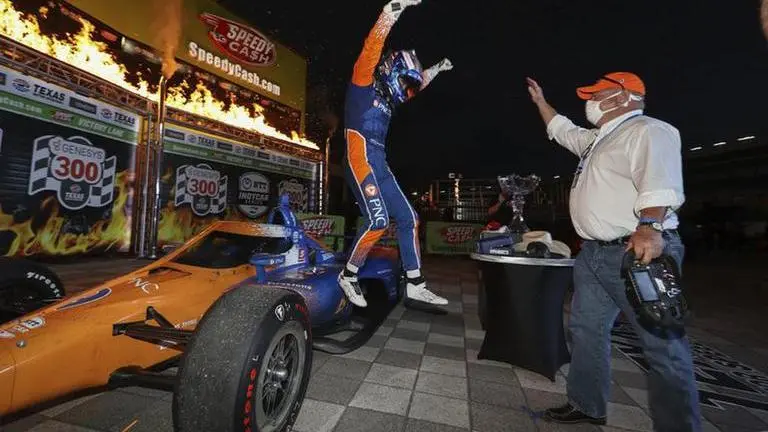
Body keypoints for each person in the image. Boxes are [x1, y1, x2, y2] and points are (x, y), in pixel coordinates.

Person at [526, 73, 702, 430]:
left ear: (623, 97)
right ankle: (587, 404)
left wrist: (650, 228)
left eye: (597, 93)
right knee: (586, 329)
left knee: (662, 347)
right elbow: (564, 131)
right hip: (593, 254)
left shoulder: (648, 130)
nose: (589, 100)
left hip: (635, 253)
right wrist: (542, 103)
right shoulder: (598, 140)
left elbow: (660, 181)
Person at [338, 0, 452, 307]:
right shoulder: (363, 84)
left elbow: (418, 83)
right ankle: (349, 275)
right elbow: (371, 47)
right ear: (391, 71)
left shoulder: (390, 99)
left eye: (409, 88)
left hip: (379, 162)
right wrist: (391, 12)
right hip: (358, 157)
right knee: (377, 221)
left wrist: (437, 70)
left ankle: (415, 283)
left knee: (409, 217)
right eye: (405, 83)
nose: (408, 91)